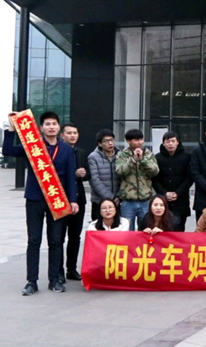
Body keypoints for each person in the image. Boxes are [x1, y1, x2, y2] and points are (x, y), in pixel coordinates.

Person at [5, 111, 78, 295]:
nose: (51, 127)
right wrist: (12, 128)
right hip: (35, 199)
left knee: (56, 241)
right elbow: (8, 151)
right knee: (34, 240)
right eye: (47, 124)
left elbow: (70, 177)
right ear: (41, 127)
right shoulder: (33, 146)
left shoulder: (66, 149)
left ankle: (54, 280)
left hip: (57, 199)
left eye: (54, 123)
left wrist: (73, 200)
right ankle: (32, 281)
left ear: (59, 127)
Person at [60, 123, 90, 282]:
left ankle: (71, 269)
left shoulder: (81, 152)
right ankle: (58, 270)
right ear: (62, 135)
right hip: (60, 199)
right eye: (69, 133)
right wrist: (74, 173)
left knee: (75, 236)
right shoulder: (58, 151)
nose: (72, 136)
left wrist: (84, 174)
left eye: (75, 133)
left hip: (78, 199)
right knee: (58, 237)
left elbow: (88, 174)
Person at [116, 128, 159, 231]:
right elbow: (120, 171)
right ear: (128, 141)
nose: (140, 142)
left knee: (146, 229)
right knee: (127, 230)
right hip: (128, 200)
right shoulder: (122, 155)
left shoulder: (148, 154)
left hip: (146, 199)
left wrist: (142, 160)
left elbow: (155, 171)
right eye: (136, 140)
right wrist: (133, 160)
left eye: (141, 139)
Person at [152, 131, 192, 232]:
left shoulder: (187, 157)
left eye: (173, 141)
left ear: (177, 142)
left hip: (181, 200)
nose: (170, 144)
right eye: (168, 141)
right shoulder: (157, 158)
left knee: (179, 230)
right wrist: (164, 193)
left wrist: (177, 193)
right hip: (163, 201)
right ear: (163, 143)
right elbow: (154, 179)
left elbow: (189, 178)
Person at [88, 129, 120, 222]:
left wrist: (118, 196)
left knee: (117, 227)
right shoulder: (93, 157)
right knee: (99, 227)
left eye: (111, 140)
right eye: (106, 141)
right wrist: (111, 198)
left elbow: (124, 178)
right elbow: (95, 180)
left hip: (118, 201)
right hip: (99, 201)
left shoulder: (120, 155)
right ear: (100, 144)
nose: (110, 143)